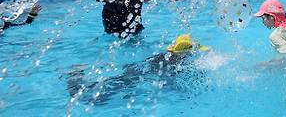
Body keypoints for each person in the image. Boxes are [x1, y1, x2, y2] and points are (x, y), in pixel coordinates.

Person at [66, 34, 209, 103]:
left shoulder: (169, 57)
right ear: (184, 53)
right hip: (135, 75)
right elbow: (170, 81)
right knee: (94, 99)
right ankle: (73, 77)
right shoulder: (172, 62)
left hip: (137, 70)